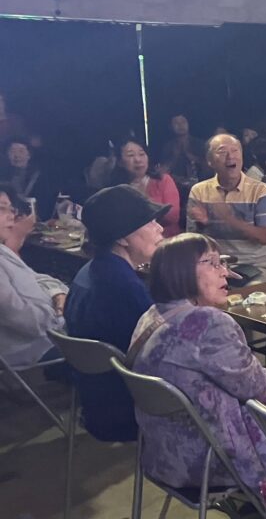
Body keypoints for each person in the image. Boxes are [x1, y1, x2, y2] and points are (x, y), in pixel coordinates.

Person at [130, 233, 266, 491]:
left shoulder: (151, 315)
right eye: (213, 263)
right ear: (181, 271)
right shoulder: (207, 323)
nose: (225, 272)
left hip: (164, 456)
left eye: (223, 263)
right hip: (215, 460)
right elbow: (260, 389)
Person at [65, 185, 166, 441]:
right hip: (132, 407)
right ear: (122, 238)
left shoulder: (90, 271)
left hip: (97, 402)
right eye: (149, 222)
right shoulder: (122, 287)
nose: (160, 228)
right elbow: (164, 351)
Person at [187, 134, 266, 283]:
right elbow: (191, 242)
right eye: (222, 151)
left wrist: (230, 220)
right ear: (210, 161)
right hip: (215, 265)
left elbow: (264, 237)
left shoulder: (261, 190)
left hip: (254, 264)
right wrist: (203, 225)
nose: (230, 156)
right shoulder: (199, 191)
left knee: (253, 294)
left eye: (235, 150)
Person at [0, 184, 66, 371]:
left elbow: (39, 278)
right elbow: (20, 317)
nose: (11, 216)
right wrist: (60, 315)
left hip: (47, 335)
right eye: (2, 209)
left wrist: (57, 294)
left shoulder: (3, 250)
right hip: (31, 353)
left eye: (11, 209)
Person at [109, 139, 181, 237]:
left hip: (167, 239)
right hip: (135, 242)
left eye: (142, 154)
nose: (138, 160)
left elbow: (172, 216)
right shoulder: (118, 190)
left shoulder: (163, 180)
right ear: (120, 162)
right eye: (131, 155)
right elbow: (118, 222)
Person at [0, 138, 54, 217]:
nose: (16, 155)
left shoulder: (40, 177)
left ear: (29, 155)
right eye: (12, 151)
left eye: (21, 151)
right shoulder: (3, 176)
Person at [158, 114, 208, 187]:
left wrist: (191, 156)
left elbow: (208, 166)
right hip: (175, 185)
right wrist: (175, 156)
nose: (180, 125)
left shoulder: (199, 144)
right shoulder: (168, 147)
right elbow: (163, 170)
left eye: (183, 122)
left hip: (200, 184)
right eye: (176, 123)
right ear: (171, 127)